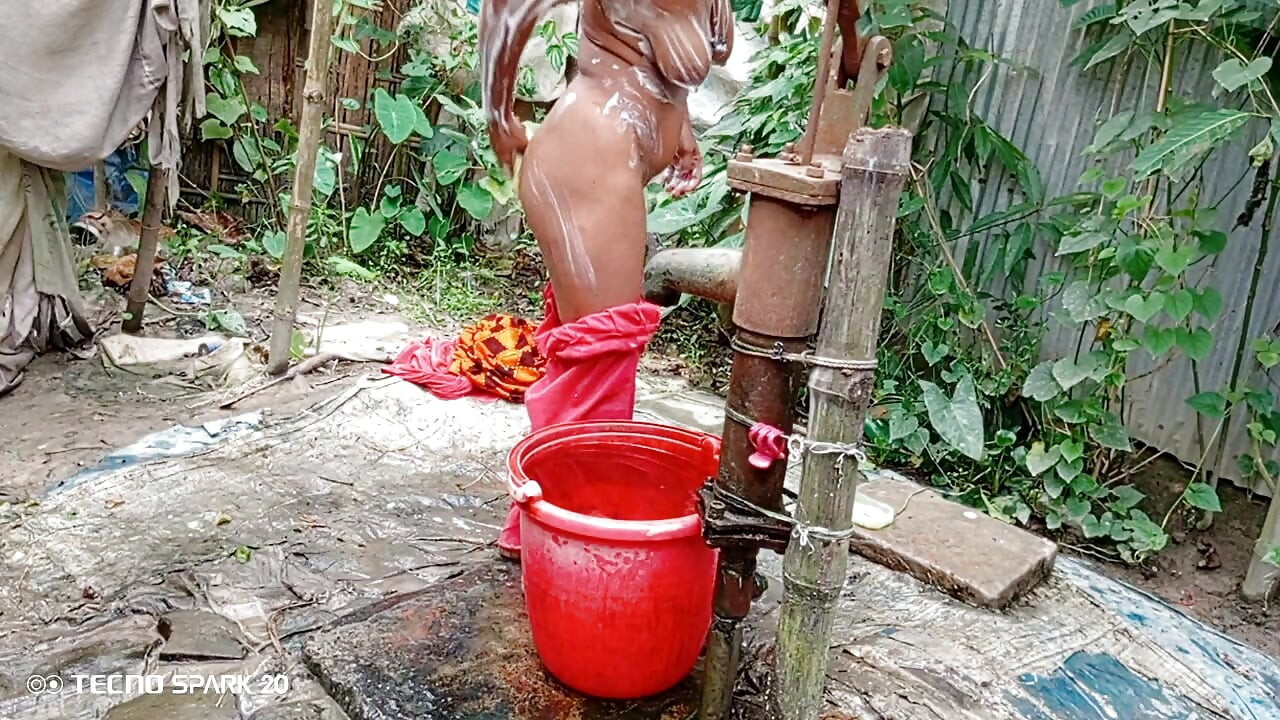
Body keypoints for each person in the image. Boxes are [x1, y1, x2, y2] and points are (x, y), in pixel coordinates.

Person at [479, 0, 733, 559]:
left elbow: (653, 58)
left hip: (618, 152)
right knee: (601, 360)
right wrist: (498, 111)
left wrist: (678, 122)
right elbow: (507, 7)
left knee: (598, 359)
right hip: (583, 155)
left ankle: (556, 522)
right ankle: (562, 530)